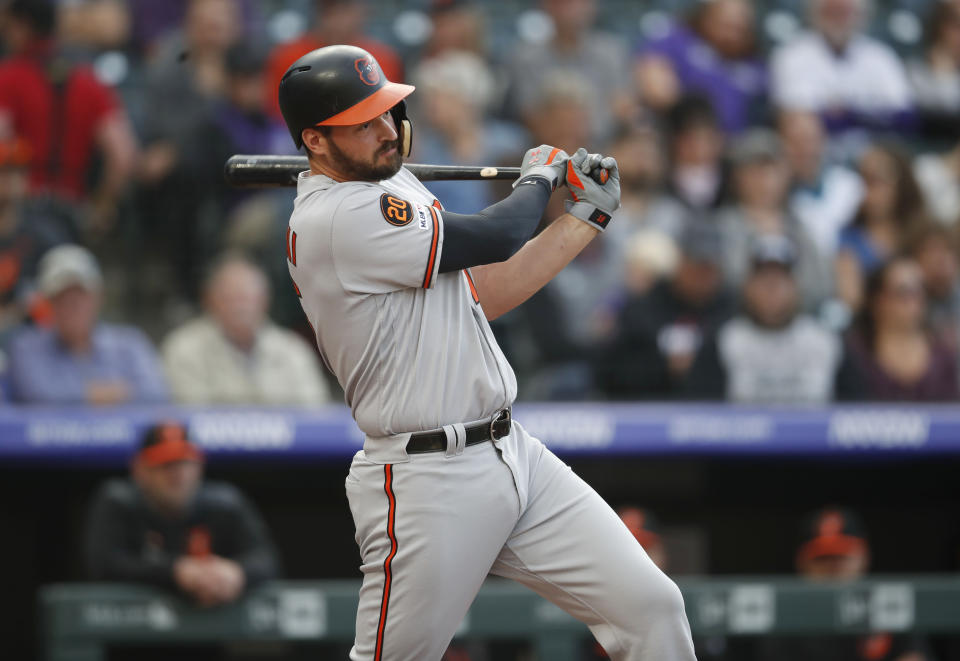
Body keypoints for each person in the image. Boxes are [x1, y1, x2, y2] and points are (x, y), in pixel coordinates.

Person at [278, 45, 695, 661]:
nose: (386, 130)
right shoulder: (335, 217)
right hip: (425, 478)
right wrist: (536, 178)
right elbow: (498, 235)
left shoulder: (385, 180)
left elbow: (482, 295)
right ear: (315, 140)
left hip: (512, 454)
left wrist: (583, 218)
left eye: (386, 113)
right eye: (362, 123)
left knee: (654, 609)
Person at [84, 422, 280, 606]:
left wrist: (236, 572)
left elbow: (266, 559)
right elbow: (104, 565)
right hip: (129, 634)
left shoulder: (224, 505)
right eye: (165, 464)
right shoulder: (120, 502)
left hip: (207, 633)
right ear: (140, 469)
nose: (178, 474)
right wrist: (174, 572)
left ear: (199, 467)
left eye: (185, 463)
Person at [0, 0, 137, 232]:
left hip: (20, 209)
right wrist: (101, 206)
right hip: (73, 210)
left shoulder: (8, 78)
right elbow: (123, 156)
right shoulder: (90, 81)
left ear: (21, 26)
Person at [685, 235, 852, 403]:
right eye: (763, 278)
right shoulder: (726, 339)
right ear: (747, 286)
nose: (772, 289)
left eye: (780, 279)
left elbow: (861, 410)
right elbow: (698, 412)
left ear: (796, 286)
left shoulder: (824, 340)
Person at [757, 507, 934, 661]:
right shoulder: (786, 620)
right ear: (802, 562)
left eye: (842, 557)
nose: (833, 567)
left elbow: (914, 657)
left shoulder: (891, 605)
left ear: (864, 557)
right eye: (823, 557)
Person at [6, 244, 169, 404]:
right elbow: (37, 394)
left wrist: (81, 394)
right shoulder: (25, 347)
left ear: (99, 297)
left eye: (80, 295)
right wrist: (112, 393)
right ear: (47, 303)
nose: (72, 305)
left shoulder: (130, 343)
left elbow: (156, 392)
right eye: (62, 297)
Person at [162, 253, 329, 406]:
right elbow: (191, 417)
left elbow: (316, 416)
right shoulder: (183, 348)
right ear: (209, 300)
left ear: (264, 300)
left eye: (246, 298)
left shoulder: (293, 350)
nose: (240, 307)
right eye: (230, 298)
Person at [595, 220, 735, 400]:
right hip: (648, 411)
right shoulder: (645, 306)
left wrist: (700, 363)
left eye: (711, 267)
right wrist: (662, 365)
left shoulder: (731, 309)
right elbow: (609, 373)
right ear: (680, 261)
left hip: (715, 414)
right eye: (698, 265)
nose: (704, 275)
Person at [770, 0, 914, 160]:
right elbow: (795, 118)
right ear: (816, 14)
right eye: (831, 12)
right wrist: (869, 116)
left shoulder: (880, 56)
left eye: (845, 12)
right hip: (816, 158)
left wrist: (848, 115)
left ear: (860, 15)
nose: (838, 19)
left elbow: (904, 118)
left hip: (874, 156)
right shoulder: (792, 55)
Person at [714, 129, 830, 312]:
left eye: (772, 170)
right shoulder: (720, 226)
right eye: (755, 171)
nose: (765, 180)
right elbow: (719, 285)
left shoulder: (801, 225)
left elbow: (822, 285)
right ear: (736, 177)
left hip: (798, 324)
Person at [502, 0, 633, 144]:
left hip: (603, 144)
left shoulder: (612, 53)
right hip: (544, 146)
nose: (570, 9)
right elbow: (529, 114)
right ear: (546, 6)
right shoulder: (525, 58)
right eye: (561, 3)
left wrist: (582, 130)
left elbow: (622, 108)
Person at [634, 0, 766, 134]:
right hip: (679, 136)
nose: (731, 36)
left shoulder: (756, 66)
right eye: (726, 26)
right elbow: (655, 85)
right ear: (706, 17)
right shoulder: (678, 41)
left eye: (740, 29)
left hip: (735, 146)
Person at [264, 0, 403, 120]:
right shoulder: (287, 56)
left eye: (345, 9)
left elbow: (392, 115)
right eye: (330, 10)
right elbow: (275, 116)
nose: (338, 20)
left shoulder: (382, 59)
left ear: (362, 11)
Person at [845, 256, 958, 401]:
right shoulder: (855, 354)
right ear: (878, 300)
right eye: (904, 292)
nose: (914, 300)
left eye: (920, 290)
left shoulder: (944, 355)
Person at [836, 142, 928, 312]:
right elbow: (851, 300)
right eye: (864, 181)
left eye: (878, 181)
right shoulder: (848, 238)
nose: (869, 191)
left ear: (901, 183)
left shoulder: (923, 232)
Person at [0, 136, 67, 338]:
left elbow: (64, 291)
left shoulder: (46, 235)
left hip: (31, 340)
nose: (10, 181)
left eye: (18, 172)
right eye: (3, 172)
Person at [779, 110, 863, 258]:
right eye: (794, 142)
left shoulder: (851, 185)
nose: (803, 150)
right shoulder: (775, 196)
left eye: (809, 140)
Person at [907, 0, 960, 146]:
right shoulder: (916, 70)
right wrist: (943, 76)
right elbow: (946, 118)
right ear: (940, 28)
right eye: (957, 26)